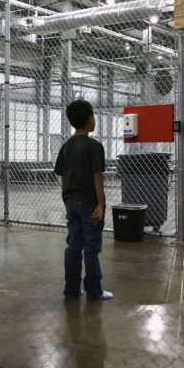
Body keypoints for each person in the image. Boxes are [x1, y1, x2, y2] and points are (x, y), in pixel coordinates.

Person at [54, 100, 112, 301]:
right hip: (89, 203)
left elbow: (62, 174)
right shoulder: (94, 146)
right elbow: (98, 175)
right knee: (91, 247)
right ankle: (94, 291)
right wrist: (100, 204)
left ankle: (71, 289)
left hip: (71, 201)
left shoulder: (67, 146)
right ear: (90, 119)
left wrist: (69, 199)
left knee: (73, 245)